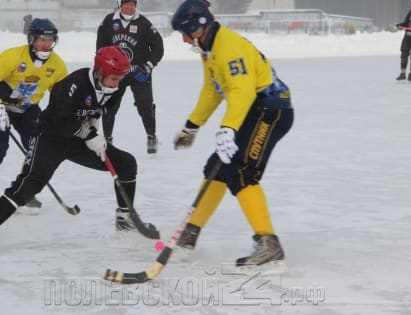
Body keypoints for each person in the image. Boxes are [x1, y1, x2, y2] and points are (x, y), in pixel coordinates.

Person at [171, 0, 294, 268]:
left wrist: (228, 129)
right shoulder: (208, 48)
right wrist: (192, 125)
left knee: (242, 172)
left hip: (271, 109)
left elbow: (242, 91)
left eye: (184, 32)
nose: (183, 40)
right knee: (217, 166)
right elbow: (213, 90)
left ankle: (268, 244)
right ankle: (190, 233)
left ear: (197, 27)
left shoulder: (228, 46)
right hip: (254, 109)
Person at [0, 45, 142, 232]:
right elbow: (62, 120)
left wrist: (93, 123)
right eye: (114, 78)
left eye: (120, 79)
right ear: (99, 72)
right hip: (49, 139)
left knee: (126, 163)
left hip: (77, 141)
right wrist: (90, 135)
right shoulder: (74, 84)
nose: (117, 84)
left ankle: (125, 218)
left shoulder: (115, 86)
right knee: (26, 188)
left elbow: (100, 109)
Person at [0, 18, 67, 213]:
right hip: (2, 106)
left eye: (50, 40)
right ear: (32, 39)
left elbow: (62, 95)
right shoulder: (13, 57)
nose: (46, 44)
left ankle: (24, 190)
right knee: (0, 148)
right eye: (42, 39)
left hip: (28, 109)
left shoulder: (57, 65)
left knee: (37, 147)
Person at [96, 0, 164, 154]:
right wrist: (104, 67)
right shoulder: (108, 21)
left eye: (132, 4)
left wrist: (148, 66)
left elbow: (158, 47)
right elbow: (101, 47)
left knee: (145, 106)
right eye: (126, 4)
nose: (129, 7)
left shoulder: (143, 23)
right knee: (109, 106)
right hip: (116, 74)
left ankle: (151, 137)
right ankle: (107, 139)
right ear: (120, 4)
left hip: (138, 73)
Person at [395, 0, 411, 82]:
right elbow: (406, 23)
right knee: (404, 53)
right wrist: (400, 25)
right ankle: (402, 73)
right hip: (408, 37)